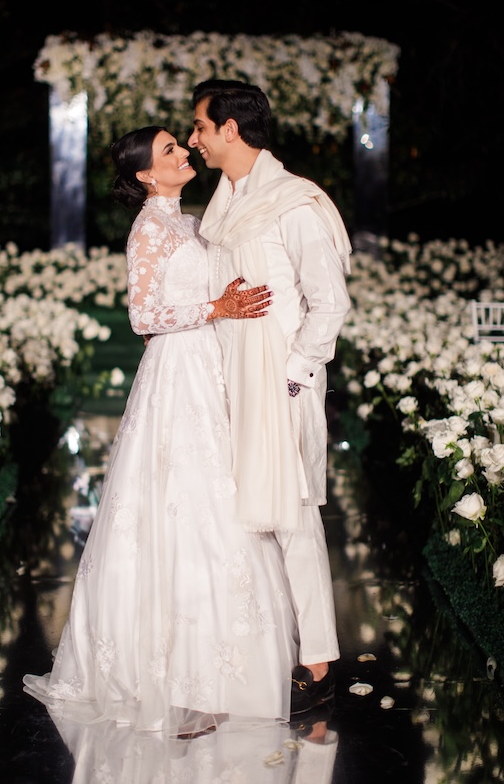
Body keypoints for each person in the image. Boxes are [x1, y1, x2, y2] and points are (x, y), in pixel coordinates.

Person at [23, 126, 299, 737]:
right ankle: (183, 680)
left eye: (181, 144)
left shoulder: (191, 220)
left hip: (210, 366)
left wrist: (222, 304)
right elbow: (143, 316)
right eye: (170, 151)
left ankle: (226, 672)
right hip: (177, 377)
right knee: (185, 511)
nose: (183, 154)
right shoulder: (149, 228)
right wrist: (214, 310)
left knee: (223, 506)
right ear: (148, 175)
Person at [188, 79, 353, 717]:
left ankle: (318, 659)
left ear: (232, 129)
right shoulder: (222, 202)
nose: (195, 139)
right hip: (224, 374)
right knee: (238, 512)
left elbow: (329, 302)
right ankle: (253, 646)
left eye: (200, 126)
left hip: (280, 381)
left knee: (292, 517)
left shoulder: (295, 203)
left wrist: (294, 375)